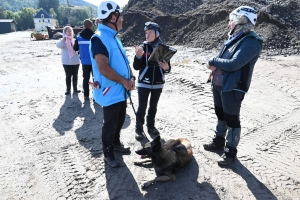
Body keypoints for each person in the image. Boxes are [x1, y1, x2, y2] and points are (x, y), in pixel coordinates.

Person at [204, 6, 263, 166]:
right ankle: (218, 141)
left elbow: (234, 64)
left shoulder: (251, 42)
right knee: (220, 114)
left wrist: (213, 61)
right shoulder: (235, 38)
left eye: (232, 21)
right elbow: (223, 56)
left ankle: (230, 151)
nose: (229, 24)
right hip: (220, 85)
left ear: (240, 22)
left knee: (232, 119)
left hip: (232, 88)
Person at [90, 0, 135, 168]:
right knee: (110, 124)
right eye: (120, 16)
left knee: (120, 119)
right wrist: (124, 81)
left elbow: (122, 62)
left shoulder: (114, 38)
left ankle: (116, 144)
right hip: (111, 91)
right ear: (113, 17)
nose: (122, 19)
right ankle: (108, 153)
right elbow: (102, 67)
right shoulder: (100, 38)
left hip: (121, 90)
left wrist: (131, 78)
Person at [133, 22, 171, 140]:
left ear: (157, 33)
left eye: (150, 32)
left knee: (153, 106)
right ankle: (138, 129)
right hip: (144, 82)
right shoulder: (142, 47)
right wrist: (138, 56)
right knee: (142, 107)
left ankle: (151, 126)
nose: (147, 35)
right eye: (146, 32)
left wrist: (167, 68)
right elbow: (136, 67)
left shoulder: (163, 48)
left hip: (158, 83)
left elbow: (168, 67)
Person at [56, 26, 81, 95]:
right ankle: (68, 89)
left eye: (70, 31)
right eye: (68, 31)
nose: (70, 32)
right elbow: (58, 46)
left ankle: (75, 88)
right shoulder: (63, 40)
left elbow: (78, 48)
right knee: (68, 75)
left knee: (75, 75)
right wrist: (63, 40)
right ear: (65, 32)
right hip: (66, 61)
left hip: (75, 61)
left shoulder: (75, 40)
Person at [73, 19, 94, 100]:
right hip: (94, 61)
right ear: (91, 27)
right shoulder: (95, 36)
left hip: (84, 62)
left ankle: (86, 96)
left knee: (86, 79)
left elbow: (75, 48)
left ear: (84, 26)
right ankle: (95, 96)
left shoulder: (79, 37)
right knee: (95, 78)